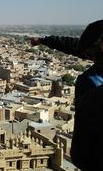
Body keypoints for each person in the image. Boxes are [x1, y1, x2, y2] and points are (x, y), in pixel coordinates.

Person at [30, 19, 103, 170]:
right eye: (89, 54)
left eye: (95, 55)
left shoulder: (91, 84)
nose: (92, 59)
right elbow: (71, 45)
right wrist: (43, 40)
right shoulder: (95, 54)